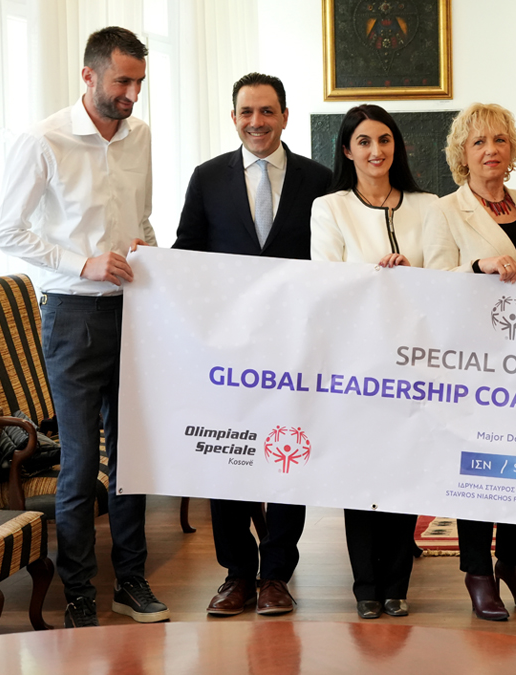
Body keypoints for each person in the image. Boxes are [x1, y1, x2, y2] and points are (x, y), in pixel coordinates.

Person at [0, 27, 166, 628]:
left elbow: (139, 213)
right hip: (72, 316)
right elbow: (7, 231)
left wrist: (144, 244)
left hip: (135, 309)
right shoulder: (42, 140)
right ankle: (79, 590)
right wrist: (82, 261)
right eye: (123, 81)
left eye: (139, 82)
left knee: (133, 457)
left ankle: (132, 581)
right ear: (89, 76)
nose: (133, 94)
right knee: (76, 463)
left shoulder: (140, 134)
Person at [173, 72, 332, 617]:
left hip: (296, 346)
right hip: (228, 351)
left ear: (285, 116)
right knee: (230, 455)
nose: (256, 122)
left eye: (267, 111)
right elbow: (187, 252)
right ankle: (236, 574)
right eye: (246, 112)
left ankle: (275, 576)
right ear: (234, 116)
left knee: (289, 456)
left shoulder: (321, 179)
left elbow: (333, 260)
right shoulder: (207, 177)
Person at [311, 104, 438, 619]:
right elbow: (326, 279)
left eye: (384, 140)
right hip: (355, 365)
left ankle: (396, 585)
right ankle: (366, 587)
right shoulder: (329, 207)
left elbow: (443, 274)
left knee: (404, 471)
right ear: (347, 150)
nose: (376, 151)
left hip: (414, 363)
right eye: (363, 142)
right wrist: (377, 274)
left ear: (397, 147)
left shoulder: (428, 206)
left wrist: (412, 271)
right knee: (360, 475)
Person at [423, 102, 516, 621]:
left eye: (499, 140)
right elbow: (433, 277)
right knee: (479, 466)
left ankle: (514, 567)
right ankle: (478, 572)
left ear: (512, 149)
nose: (491, 150)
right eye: (479, 143)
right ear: (462, 155)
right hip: (475, 361)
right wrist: (478, 265)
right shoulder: (444, 209)